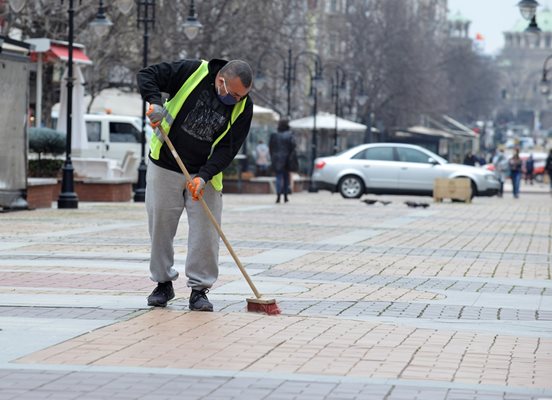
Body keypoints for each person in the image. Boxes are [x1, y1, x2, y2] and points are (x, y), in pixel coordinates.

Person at [137, 58, 254, 311]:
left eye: (241, 96)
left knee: (206, 233)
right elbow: (148, 74)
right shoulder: (193, 72)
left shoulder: (244, 107)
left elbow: (228, 149)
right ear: (220, 80)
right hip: (166, 163)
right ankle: (163, 283)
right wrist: (154, 103)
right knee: (160, 226)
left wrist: (204, 176)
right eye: (232, 94)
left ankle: (200, 290)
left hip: (205, 173)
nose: (236, 100)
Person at [269, 118, 297, 203]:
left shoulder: (274, 135)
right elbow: (293, 147)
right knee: (286, 177)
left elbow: (270, 147)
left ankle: (278, 195)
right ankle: (285, 196)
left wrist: (273, 156)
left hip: (277, 159)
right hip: (287, 159)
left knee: (278, 177)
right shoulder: (290, 135)